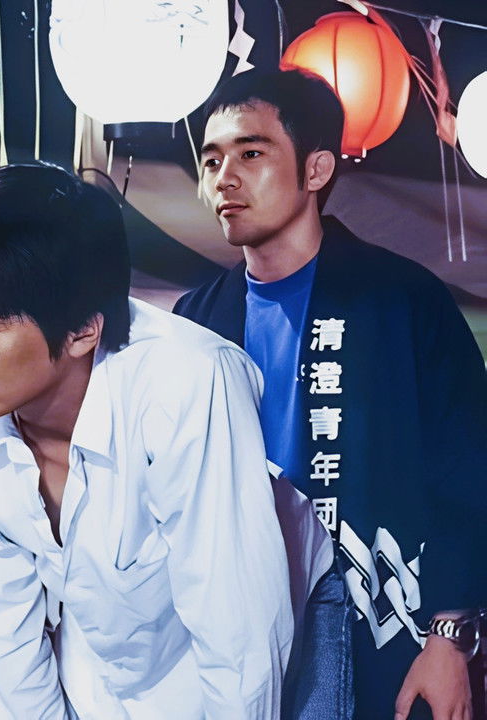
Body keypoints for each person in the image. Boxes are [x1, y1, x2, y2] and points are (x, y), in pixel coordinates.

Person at [0, 163, 293, 718]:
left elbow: (239, 635)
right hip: (96, 652)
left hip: (248, 647)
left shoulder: (187, 384)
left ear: (82, 329)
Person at [175, 68, 487, 720]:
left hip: (373, 604)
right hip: (239, 612)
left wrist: (450, 635)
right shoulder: (194, 319)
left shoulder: (403, 299)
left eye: (251, 154)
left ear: (315, 169)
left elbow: (466, 468)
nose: (224, 178)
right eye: (212, 159)